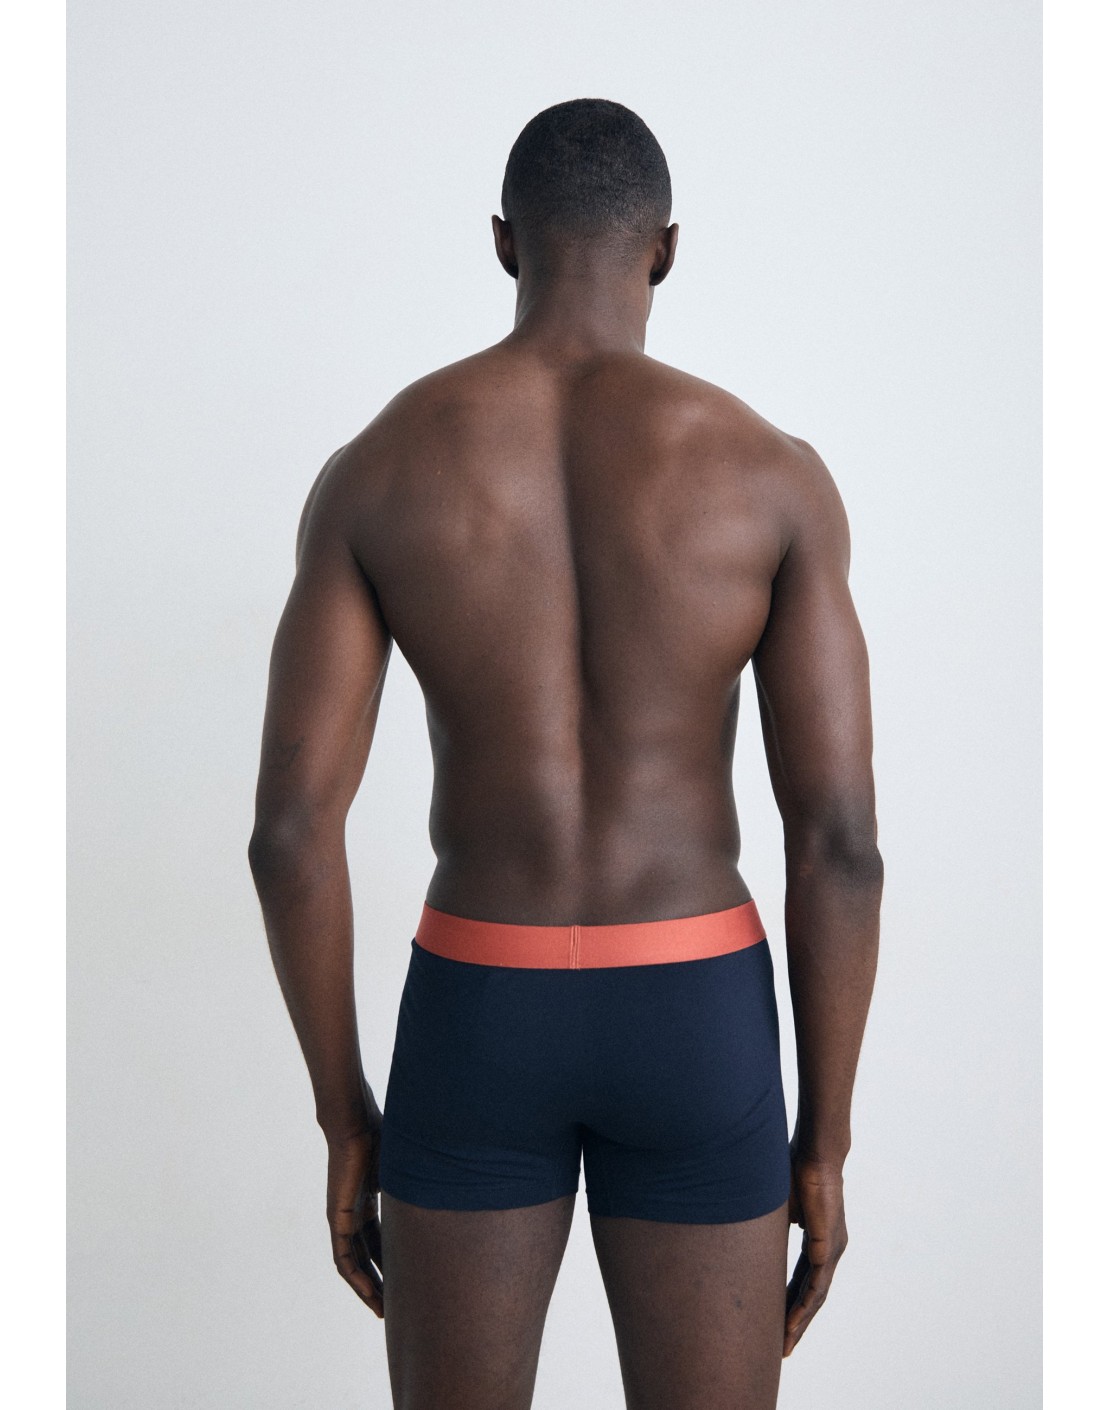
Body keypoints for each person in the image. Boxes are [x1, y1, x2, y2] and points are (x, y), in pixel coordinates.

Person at [248, 97, 883, 1410]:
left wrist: (345, 1116)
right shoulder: (770, 475)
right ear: (665, 248)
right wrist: (821, 1144)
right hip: (694, 1011)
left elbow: (291, 836)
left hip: (478, 1009)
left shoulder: (377, 469)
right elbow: (839, 845)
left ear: (502, 243)